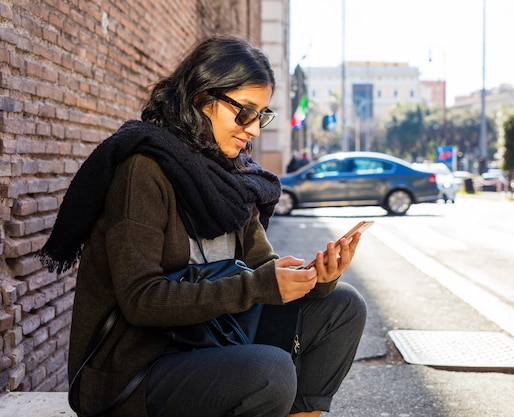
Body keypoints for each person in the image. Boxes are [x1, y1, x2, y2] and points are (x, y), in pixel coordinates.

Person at [38, 35, 366, 417]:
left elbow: (262, 269)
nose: (254, 129)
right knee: (269, 373)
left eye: (261, 115)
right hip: (138, 367)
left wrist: (316, 277)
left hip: (212, 339)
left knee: (343, 305)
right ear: (200, 98)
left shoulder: (233, 179)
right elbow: (141, 301)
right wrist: (258, 286)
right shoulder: (143, 172)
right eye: (244, 112)